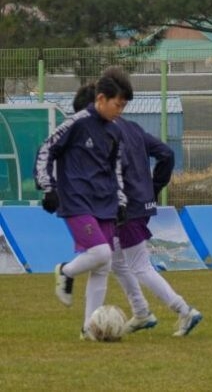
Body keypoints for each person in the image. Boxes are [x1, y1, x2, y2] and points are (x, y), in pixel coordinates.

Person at [74, 73, 203, 337]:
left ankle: (184, 310)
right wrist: (153, 188)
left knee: (139, 265)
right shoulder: (132, 127)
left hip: (126, 208)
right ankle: (142, 312)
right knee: (116, 261)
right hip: (139, 203)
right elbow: (166, 153)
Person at [35, 69, 131, 338]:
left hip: (105, 202)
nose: (120, 111)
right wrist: (48, 187)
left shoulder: (115, 132)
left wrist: (121, 201)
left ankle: (89, 328)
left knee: (103, 266)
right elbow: (46, 149)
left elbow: (116, 170)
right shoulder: (76, 123)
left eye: (123, 106)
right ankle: (65, 271)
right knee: (101, 253)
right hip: (76, 200)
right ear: (101, 99)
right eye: (118, 105)